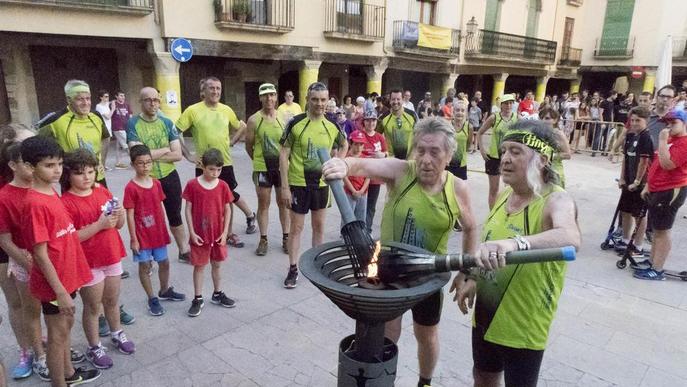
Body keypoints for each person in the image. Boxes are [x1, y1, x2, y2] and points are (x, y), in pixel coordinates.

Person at [322, 117, 478, 387]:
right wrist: (342, 163)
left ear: (449, 155)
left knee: (426, 334)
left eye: (434, 152)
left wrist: (466, 271)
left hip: (428, 276)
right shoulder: (400, 171)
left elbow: (472, 228)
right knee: (385, 331)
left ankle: (425, 382)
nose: (426, 159)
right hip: (387, 270)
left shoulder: (457, 188)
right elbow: (362, 164)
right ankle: (378, 380)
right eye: (420, 150)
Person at [454, 120, 580, 387]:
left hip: (524, 322)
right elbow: (490, 241)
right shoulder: (504, 193)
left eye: (516, 151)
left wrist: (515, 243)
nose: (505, 159)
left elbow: (570, 237)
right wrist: (474, 277)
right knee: (483, 376)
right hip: (487, 313)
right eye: (505, 150)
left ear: (542, 159)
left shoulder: (556, 200)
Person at [21, 136, 102, 386]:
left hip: (68, 276)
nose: (56, 170)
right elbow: (41, 254)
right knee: (57, 336)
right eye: (48, 165)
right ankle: (59, 382)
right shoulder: (35, 203)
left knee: (64, 329)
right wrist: (60, 291)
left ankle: (69, 373)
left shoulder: (52, 193)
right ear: (30, 167)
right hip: (55, 284)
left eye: (58, 164)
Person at [60, 150, 135, 369]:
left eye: (91, 171)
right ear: (69, 175)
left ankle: (117, 332)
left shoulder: (102, 191)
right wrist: (99, 225)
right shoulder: (66, 202)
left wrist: (119, 213)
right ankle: (94, 346)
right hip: (88, 262)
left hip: (111, 254)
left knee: (112, 301)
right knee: (93, 306)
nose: (87, 177)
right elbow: (71, 238)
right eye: (80, 173)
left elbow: (118, 225)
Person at [278, 82, 347, 289]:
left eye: (323, 100)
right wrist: (284, 187)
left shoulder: (333, 125)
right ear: (307, 99)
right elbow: (283, 153)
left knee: (319, 226)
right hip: (298, 183)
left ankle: (317, 266)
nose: (319, 104)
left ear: (328, 101)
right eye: (315, 99)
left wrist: (339, 162)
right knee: (296, 228)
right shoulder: (296, 123)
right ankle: (292, 268)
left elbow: (344, 144)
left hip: (322, 184)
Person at [176, 76, 256, 249]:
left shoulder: (226, 109)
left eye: (218, 88)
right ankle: (203, 232)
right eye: (211, 88)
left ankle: (228, 233)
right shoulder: (192, 110)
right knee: (203, 200)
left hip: (225, 163)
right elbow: (174, 132)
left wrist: (232, 142)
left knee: (227, 199)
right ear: (203, 91)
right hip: (203, 165)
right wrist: (187, 154)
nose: (215, 91)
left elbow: (241, 126)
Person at [0, 139, 47, 380]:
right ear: (12, 165)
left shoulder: (42, 187)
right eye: (26, 163)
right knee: (23, 306)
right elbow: (5, 239)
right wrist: (29, 263)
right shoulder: (5, 196)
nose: (32, 168)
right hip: (23, 259)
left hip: (45, 258)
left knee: (48, 307)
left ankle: (45, 342)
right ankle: (29, 351)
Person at [126, 87, 191, 263]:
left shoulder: (167, 122)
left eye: (156, 99)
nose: (153, 103)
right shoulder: (133, 123)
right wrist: (164, 149)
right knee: (147, 218)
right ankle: (147, 254)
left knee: (174, 214)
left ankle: (183, 250)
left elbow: (177, 155)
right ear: (141, 102)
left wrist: (148, 155)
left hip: (169, 176)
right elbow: (136, 154)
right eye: (148, 100)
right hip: (146, 180)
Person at [123, 145, 186, 317]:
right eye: (141, 163)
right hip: (142, 235)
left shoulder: (156, 183)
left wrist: (163, 229)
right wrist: (133, 238)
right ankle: (151, 297)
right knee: (144, 266)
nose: (145, 166)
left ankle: (164, 290)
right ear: (133, 165)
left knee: (164, 262)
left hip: (158, 233)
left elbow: (159, 207)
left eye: (148, 162)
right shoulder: (131, 188)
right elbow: (129, 214)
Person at [634, 110, 687, 280]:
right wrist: (648, 185)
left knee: (662, 230)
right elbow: (656, 164)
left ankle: (657, 269)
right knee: (657, 229)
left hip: (671, 189)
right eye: (668, 123)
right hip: (658, 188)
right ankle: (652, 262)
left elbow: (667, 164)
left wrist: (662, 141)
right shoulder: (671, 140)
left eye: (674, 123)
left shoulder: (683, 143)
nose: (669, 126)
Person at [182, 148, 235, 316]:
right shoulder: (192, 185)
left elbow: (228, 210)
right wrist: (191, 232)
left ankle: (217, 293)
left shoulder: (223, 186)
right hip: (200, 233)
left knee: (217, 264)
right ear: (203, 166)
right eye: (211, 169)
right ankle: (197, 298)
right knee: (199, 266)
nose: (215, 173)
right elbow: (188, 209)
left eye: (218, 170)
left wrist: (225, 232)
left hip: (218, 233)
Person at [245, 83, 289, 256]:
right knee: (263, 204)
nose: (269, 98)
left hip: (281, 168)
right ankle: (263, 239)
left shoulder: (284, 117)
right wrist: (257, 162)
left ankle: (286, 237)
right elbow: (249, 145)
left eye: (272, 95)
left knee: (283, 203)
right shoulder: (254, 119)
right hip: (262, 168)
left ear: (276, 97)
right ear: (260, 98)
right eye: (265, 95)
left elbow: (289, 144)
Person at [38, 80, 110, 185]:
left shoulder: (96, 116)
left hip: (97, 176)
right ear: (69, 99)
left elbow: (105, 137)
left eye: (88, 98)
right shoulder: (55, 120)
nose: (86, 103)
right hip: (71, 180)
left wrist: (102, 162)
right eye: (80, 99)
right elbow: (35, 146)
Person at [613, 107, 653, 255]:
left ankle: (638, 245)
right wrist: (622, 177)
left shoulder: (646, 137)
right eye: (633, 120)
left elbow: (644, 162)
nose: (635, 123)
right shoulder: (630, 135)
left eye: (638, 120)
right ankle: (625, 240)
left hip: (640, 183)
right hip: (628, 180)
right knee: (625, 211)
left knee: (639, 215)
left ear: (646, 121)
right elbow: (625, 158)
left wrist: (637, 182)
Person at [477, 93, 518, 209]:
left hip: (510, 157)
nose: (509, 105)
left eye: (511, 103)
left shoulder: (516, 118)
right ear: (501, 105)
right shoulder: (494, 117)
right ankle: (492, 215)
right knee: (494, 189)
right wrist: (482, 151)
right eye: (506, 103)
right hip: (494, 157)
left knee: (510, 188)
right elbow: (480, 132)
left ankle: (506, 212)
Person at [357, 107, 387, 235]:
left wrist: (383, 155)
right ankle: (357, 229)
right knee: (359, 205)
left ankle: (367, 230)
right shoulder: (360, 135)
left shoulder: (380, 137)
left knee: (371, 206)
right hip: (361, 177)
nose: (371, 123)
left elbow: (386, 153)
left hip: (375, 177)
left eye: (373, 120)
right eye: (368, 121)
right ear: (364, 122)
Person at [377, 89, 419, 160]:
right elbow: (375, 135)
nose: (395, 102)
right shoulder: (383, 118)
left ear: (403, 99)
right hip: (391, 162)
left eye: (398, 99)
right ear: (389, 100)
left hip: (409, 161)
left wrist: (414, 154)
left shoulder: (412, 115)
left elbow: (420, 135)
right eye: (393, 99)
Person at [539, 108, 572, 188]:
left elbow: (568, 155)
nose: (543, 121)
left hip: (555, 171)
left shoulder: (558, 134)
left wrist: (551, 156)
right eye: (541, 118)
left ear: (555, 120)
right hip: (540, 170)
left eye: (547, 118)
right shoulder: (539, 133)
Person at [343, 130, 369, 227]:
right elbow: (344, 177)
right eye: (356, 144)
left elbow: (368, 176)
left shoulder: (365, 158)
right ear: (350, 143)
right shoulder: (346, 158)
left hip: (363, 192)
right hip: (349, 192)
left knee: (361, 217)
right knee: (347, 217)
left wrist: (361, 191)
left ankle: (361, 235)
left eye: (361, 144)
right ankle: (345, 237)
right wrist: (353, 190)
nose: (359, 148)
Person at [448, 100, 472, 180]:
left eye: (462, 110)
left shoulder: (469, 127)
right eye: (457, 110)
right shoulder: (447, 125)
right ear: (453, 111)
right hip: (447, 163)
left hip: (461, 165)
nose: (460, 113)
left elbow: (468, 146)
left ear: (465, 113)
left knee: (460, 190)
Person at [110, 91, 132, 170]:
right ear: (116, 96)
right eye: (121, 95)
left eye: (123, 95)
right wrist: (112, 103)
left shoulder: (127, 105)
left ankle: (118, 163)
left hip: (125, 127)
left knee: (118, 146)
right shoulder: (113, 104)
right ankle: (134, 161)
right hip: (118, 127)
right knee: (127, 145)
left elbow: (130, 115)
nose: (123, 97)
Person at [94, 91, 113, 170]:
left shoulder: (106, 105)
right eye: (105, 96)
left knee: (106, 149)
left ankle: (103, 165)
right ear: (101, 97)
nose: (107, 98)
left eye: (108, 96)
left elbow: (110, 102)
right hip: (103, 130)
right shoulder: (99, 106)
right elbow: (108, 117)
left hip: (108, 129)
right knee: (103, 149)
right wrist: (113, 109)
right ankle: (101, 165)